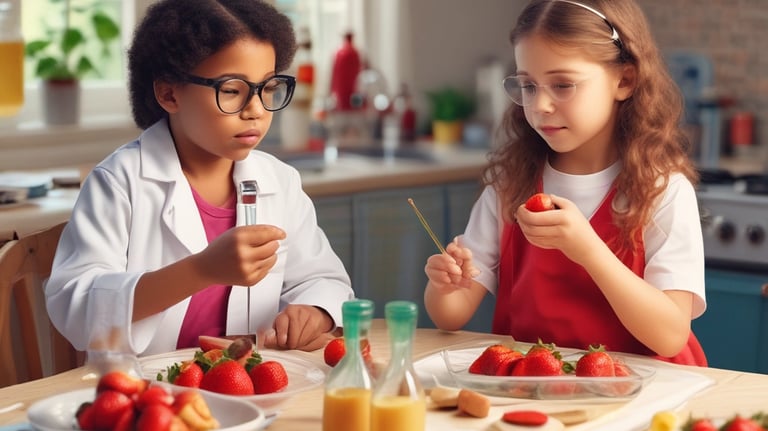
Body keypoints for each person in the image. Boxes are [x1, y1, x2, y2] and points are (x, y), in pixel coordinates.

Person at [45, 0, 354, 356]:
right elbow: (76, 305)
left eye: (267, 88)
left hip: (249, 383)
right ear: (169, 93)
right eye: (232, 90)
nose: (255, 110)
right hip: (151, 393)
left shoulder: (279, 182)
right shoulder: (118, 183)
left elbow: (322, 278)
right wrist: (201, 270)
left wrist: (313, 312)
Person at [424, 0, 707, 366]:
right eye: (528, 85)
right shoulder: (510, 187)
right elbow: (451, 315)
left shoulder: (663, 191)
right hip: (544, 391)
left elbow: (669, 336)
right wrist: (446, 286)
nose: (540, 104)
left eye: (562, 84)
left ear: (624, 80)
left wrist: (588, 251)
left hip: (651, 396)